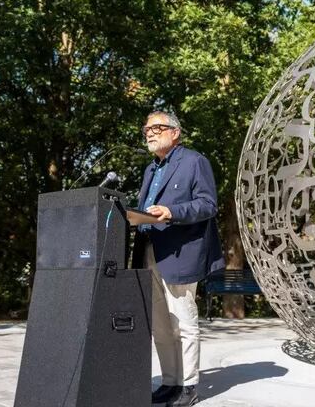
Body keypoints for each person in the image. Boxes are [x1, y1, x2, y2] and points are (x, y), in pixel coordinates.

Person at [132, 110, 224, 407]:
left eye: (156, 127)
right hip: (149, 250)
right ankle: (170, 382)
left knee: (184, 321)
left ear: (175, 132)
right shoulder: (150, 169)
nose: (149, 133)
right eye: (147, 129)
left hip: (180, 252)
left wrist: (171, 212)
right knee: (160, 325)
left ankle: (189, 385)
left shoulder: (194, 162)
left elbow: (207, 205)